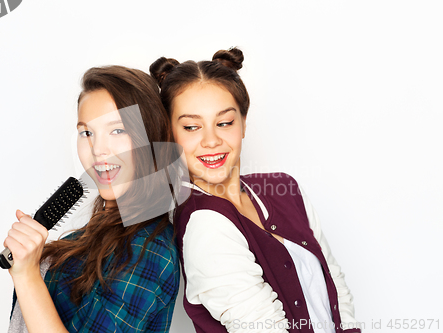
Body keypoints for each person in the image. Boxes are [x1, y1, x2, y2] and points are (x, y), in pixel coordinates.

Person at [150, 48, 362, 333]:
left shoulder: (284, 189)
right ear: (170, 135)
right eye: (191, 127)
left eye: (224, 122)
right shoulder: (204, 224)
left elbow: (336, 287)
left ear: (244, 123)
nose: (211, 140)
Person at [4, 66, 180, 333]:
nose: (98, 150)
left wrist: (27, 276)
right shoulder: (87, 237)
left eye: (117, 131)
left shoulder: (149, 250)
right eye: (87, 133)